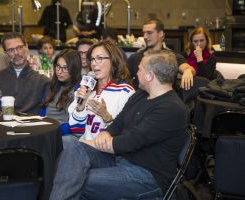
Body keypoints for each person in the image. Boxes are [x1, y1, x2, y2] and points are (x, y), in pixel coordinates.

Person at [49, 50, 189, 200]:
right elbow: (119, 123)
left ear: (150, 75)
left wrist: (98, 142)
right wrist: (106, 133)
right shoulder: (141, 95)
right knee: (72, 147)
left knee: (79, 177)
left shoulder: (171, 108)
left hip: (147, 176)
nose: (137, 72)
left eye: (140, 68)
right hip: (121, 159)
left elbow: (132, 140)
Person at [68, 40, 135, 140]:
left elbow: (126, 136)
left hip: (106, 152)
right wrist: (80, 107)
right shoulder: (85, 88)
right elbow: (76, 131)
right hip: (83, 147)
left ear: (113, 60)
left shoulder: (125, 92)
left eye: (99, 58)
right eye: (92, 59)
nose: (94, 64)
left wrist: (106, 116)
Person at [0, 32, 50, 115]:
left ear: (26, 47)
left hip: (29, 126)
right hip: (0, 125)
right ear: (5, 53)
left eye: (19, 47)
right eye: (11, 50)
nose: (16, 53)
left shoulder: (42, 81)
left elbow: (53, 112)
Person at [127, 18, 195, 90]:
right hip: (140, 100)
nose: (145, 37)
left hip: (165, 100)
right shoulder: (134, 58)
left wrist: (187, 71)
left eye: (149, 33)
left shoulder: (171, 57)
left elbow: (187, 67)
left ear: (161, 34)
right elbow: (123, 78)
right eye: (144, 33)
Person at [42, 49, 81, 135]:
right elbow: (43, 110)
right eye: (58, 66)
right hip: (46, 129)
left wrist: (50, 130)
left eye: (65, 68)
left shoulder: (78, 89)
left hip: (60, 133)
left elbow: (73, 125)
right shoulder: (52, 85)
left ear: (74, 69)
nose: (59, 71)